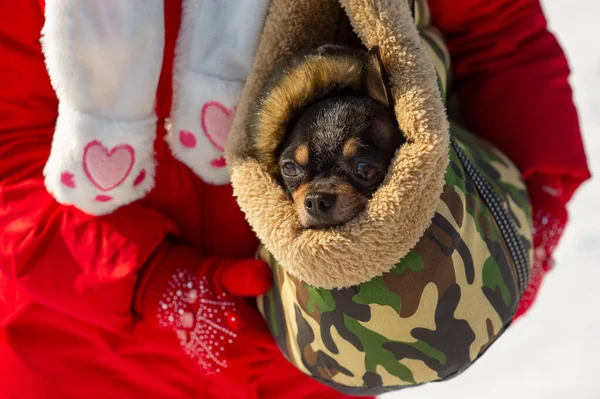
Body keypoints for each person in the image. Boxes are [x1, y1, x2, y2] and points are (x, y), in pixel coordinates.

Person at [0, 0, 589, 398]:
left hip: (326, 344)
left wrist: (529, 204)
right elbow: (9, 157)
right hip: (81, 357)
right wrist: (149, 284)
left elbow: (497, 36)